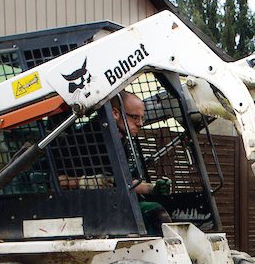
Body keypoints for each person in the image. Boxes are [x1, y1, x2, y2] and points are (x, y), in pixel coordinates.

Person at [58, 91, 172, 234]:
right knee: (154, 212)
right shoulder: (80, 141)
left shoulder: (121, 142)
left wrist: (151, 188)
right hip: (81, 207)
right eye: (135, 117)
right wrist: (83, 182)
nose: (140, 124)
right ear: (115, 113)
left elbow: (122, 182)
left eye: (142, 118)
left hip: (110, 204)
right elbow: (50, 181)